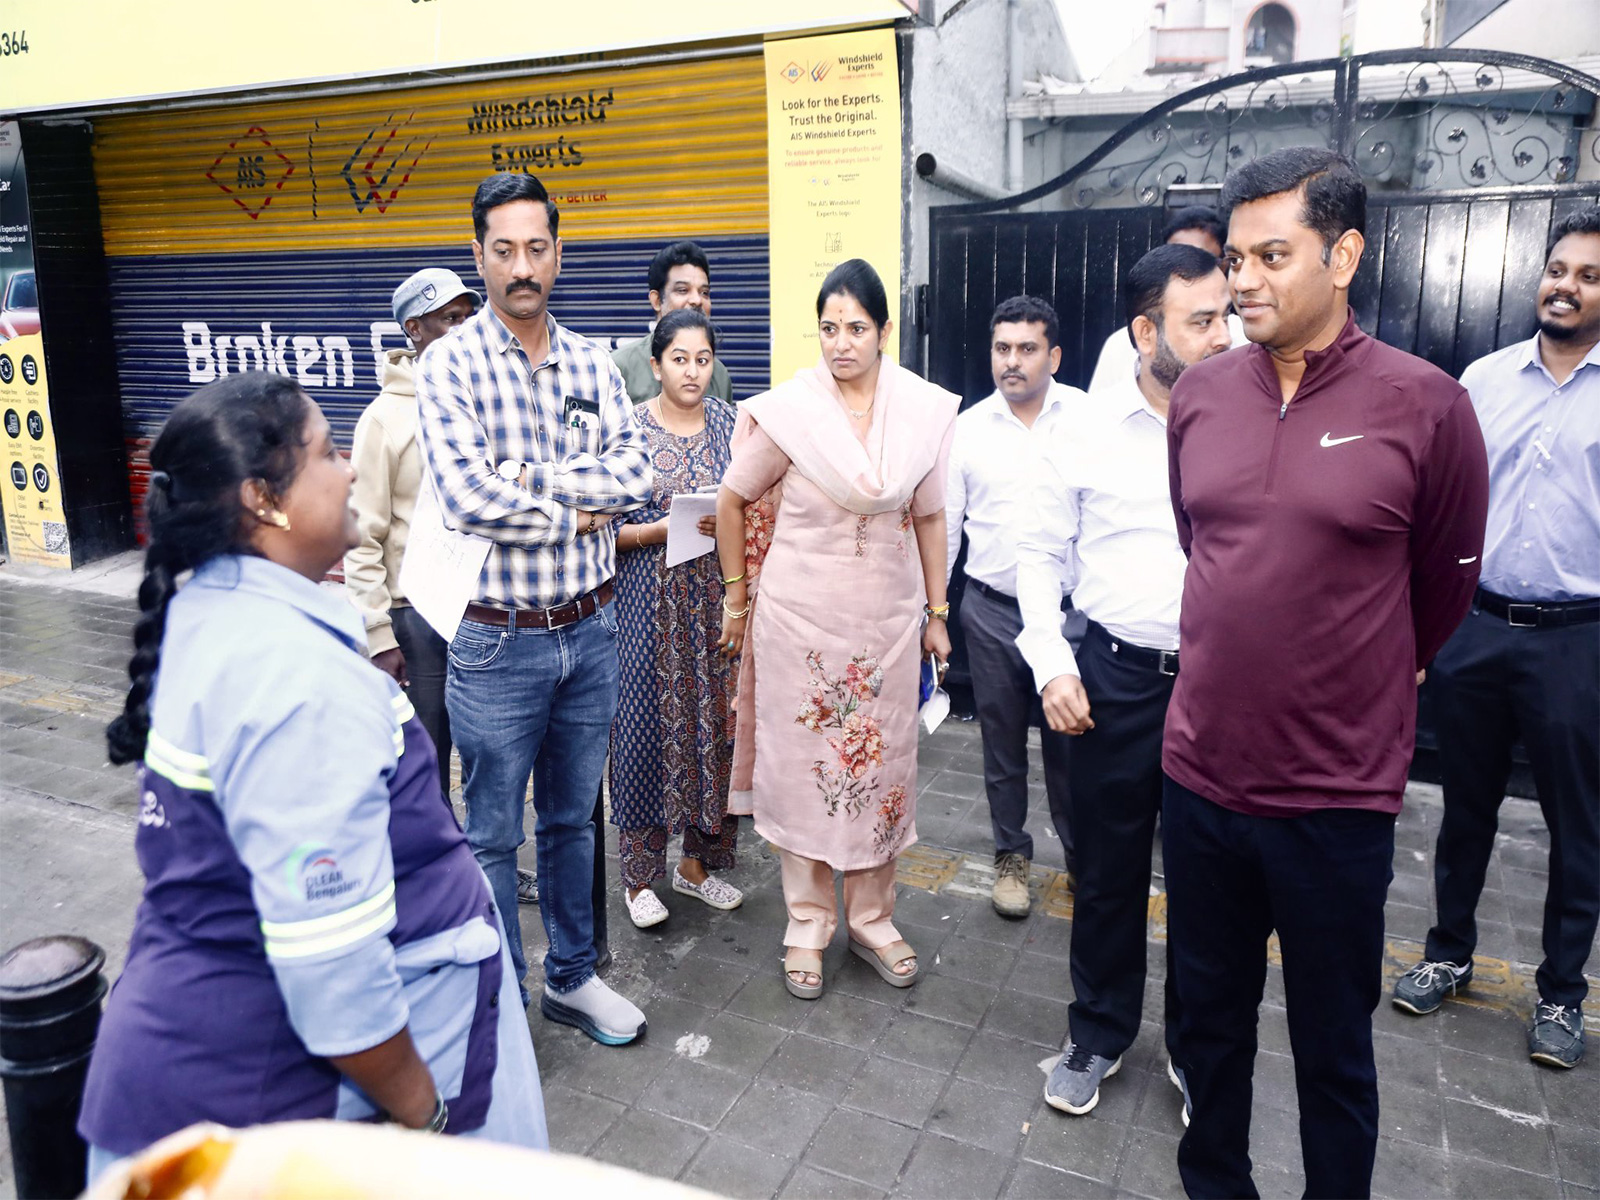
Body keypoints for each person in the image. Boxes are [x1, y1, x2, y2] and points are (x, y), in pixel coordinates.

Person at [79, 373, 547, 1182]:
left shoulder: (221, 610)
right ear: (264, 501)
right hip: (272, 1103)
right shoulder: (296, 683)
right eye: (329, 453)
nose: (351, 469)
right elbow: (333, 972)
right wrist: (424, 1113)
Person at [1162, 147, 1488, 1198]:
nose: (1242, 280)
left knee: (1332, 1049)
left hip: (1335, 802)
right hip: (1200, 782)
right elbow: (1203, 544)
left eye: (1272, 255)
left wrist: (1366, 676)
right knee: (1206, 1031)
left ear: (1342, 256)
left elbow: (1442, 587)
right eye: (1234, 258)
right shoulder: (1201, 395)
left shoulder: (1426, 405)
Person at [415, 172, 652, 1045]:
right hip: (496, 644)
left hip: (590, 631)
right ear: (478, 255)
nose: (522, 267)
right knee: (488, 833)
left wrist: (532, 478)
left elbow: (637, 474)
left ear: (558, 254)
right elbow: (467, 497)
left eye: (537, 248)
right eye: (504, 250)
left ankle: (572, 979)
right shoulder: (448, 364)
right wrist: (575, 511)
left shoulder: (594, 362)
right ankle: (503, 1000)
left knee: (571, 821)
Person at [1019, 244, 1233, 1121]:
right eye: (1202, 320)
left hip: (1222, 686)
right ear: (1147, 333)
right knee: (1107, 874)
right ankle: (1098, 1032)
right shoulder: (1083, 430)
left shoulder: (1254, 417)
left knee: (1209, 882)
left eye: (1227, 315)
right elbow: (1038, 555)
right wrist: (1052, 664)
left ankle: (1197, 1050)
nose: (1224, 335)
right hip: (1112, 679)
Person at [714, 259, 958, 999]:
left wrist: (938, 615)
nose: (841, 343)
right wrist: (736, 599)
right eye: (828, 328)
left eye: (856, 328)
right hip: (801, 633)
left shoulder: (918, 414)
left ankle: (874, 919)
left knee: (882, 773)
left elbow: (930, 517)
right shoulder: (793, 413)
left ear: (885, 331)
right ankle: (808, 922)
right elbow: (731, 500)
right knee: (805, 776)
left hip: (887, 632)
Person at [1392, 208, 1600, 1069]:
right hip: (1475, 628)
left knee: (1578, 825)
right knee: (1464, 807)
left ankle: (1561, 995)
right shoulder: (1481, 380)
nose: (1566, 286)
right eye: (1558, 270)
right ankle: (1448, 953)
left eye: (1589, 276)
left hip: (1577, 641)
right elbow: (1438, 504)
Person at [944, 295, 1085, 918]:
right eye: (1002, 348)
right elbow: (947, 528)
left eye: (1027, 349)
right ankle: (1011, 858)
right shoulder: (968, 429)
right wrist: (934, 614)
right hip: (993, 611)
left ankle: (1083, 861)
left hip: (1072, 616)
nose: (1012, 361)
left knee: (1073, 747)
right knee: (1001, 745)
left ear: (1053, 356)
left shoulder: (1087, 419)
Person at [610, 307, 743, 928]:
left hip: (715, 600)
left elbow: (756, 504)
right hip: (646, 603)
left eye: (703, 359)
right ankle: (639, 879)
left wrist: (732, 523)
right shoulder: (629, 430)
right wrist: (659, 531)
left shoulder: (731, 426)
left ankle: (696, 866)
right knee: (642, 730)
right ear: (656, 364)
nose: (692, 371)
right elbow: (599, 531)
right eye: (679, 359)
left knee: (715, 728)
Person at [346, 268, 478, 798]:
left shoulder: (481, 402)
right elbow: (361, 534)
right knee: (426, 760)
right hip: (416, 616)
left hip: (481, 609)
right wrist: (378, 634)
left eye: (468, 318)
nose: (463, 329)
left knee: (486, 752)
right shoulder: (384, 421)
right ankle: (431, 849)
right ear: (414, 330)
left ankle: (476, 848)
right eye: (449, 319)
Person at [1087, 206, 1245, 392]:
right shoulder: (1118, 347)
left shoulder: (1245, 338)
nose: (1224, 338)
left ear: (1223, 265)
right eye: (1203, 322)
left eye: (1203, 260)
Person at [612, 240, 733, 404]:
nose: (697, 300)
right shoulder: (619, 367)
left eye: (704, 292)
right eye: (683, 290)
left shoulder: (719, 375)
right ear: (656, 301)